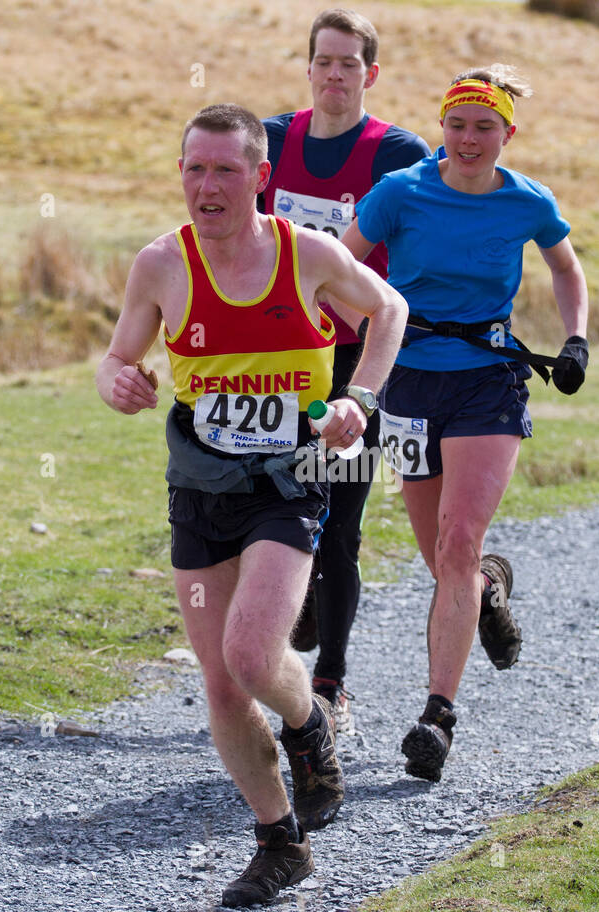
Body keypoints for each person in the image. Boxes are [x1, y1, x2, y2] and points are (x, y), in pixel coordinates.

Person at [97, 103, 406, 906]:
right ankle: (280, 842)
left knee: (248, 650)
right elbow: (117, 356)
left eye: (226, 170)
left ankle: (309, 726)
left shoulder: (308, 254)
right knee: (222, 683)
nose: (208, 186)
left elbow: (389, 309)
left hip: (289, 480)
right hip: (200, 488)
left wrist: (360, 400)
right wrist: (119, 383)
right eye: (195, 169)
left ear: (261, 178)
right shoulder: (161, 265)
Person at [341, 66, 589, 782]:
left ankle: (436, 718)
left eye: (486, 127)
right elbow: (340, 264)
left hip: (488, 379)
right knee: (443, 563)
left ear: (509, 133)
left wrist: (575, 340)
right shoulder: (402, 192)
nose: (469, 139)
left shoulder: (527, 201)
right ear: (441, 127)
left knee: (456, 544)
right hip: (410, 382)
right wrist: (365, 336)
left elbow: (567, 271)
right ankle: (489, 589)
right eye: (458, 124)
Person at [259, 8, 430, 735]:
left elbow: (419, 252)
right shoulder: (269, 141)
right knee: (269, 508)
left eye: (349, 64)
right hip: (280, 359)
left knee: (342, 524)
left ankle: (332, 682)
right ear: (308, 67)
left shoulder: (396, 153)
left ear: (370, 73)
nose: (335, 74)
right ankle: (288, 624)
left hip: (360, 360)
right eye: (324, 61)